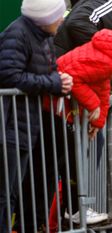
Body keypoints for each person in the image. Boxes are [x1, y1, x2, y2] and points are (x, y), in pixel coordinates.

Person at [0, 0, 72, 231]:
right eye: (58, 16)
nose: (61, 21)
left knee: (10, 194)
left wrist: (61, 80)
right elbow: (10, 76)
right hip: (10, 125)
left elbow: (47, 72)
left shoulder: (43, 38)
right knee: (4, 193)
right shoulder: (18, 34)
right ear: (46, 17)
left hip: (24, 125)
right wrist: (53, 83)